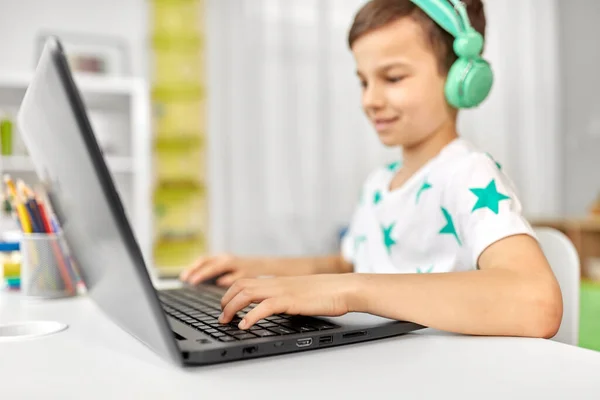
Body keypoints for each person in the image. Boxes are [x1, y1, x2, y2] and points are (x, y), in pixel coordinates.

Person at [180, 0, 563, 338]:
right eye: (363, 81)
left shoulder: (468, 174)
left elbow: (537, 301)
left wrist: (350, 291)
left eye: (392, 78)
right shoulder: (379, 183)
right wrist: (255, 270)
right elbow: (348, 263)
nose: (370, 100)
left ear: (461, 79)